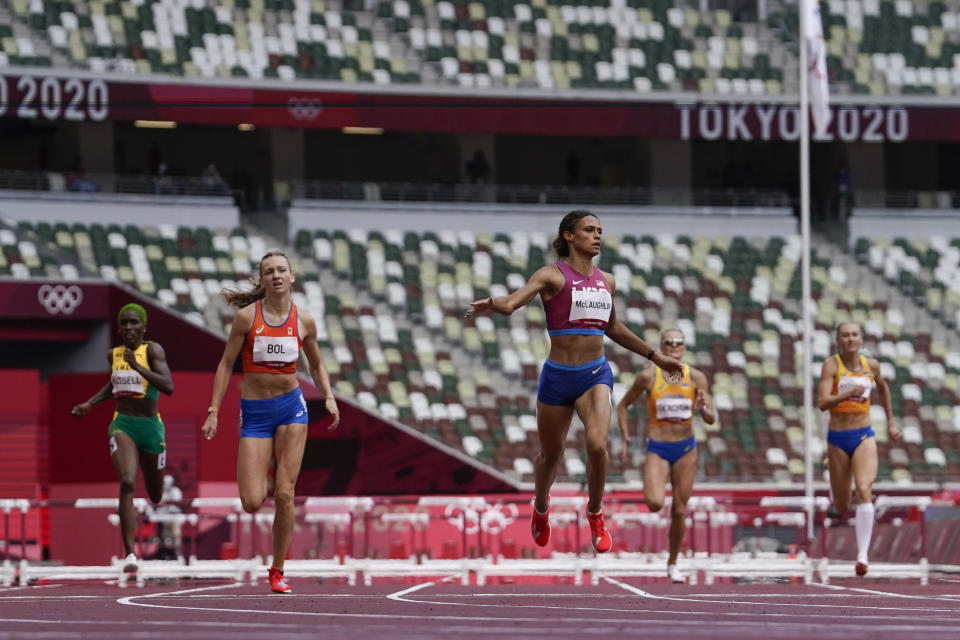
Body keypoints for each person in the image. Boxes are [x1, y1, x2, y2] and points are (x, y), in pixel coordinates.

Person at [464, 210, 683, 553]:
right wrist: (492, 303)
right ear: (569, 235)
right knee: (550, 455)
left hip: (595, 374)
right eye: (589, 230)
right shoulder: (552, 276)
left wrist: (656, 356)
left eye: (600, 230)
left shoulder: (607, 281)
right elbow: (511, 304)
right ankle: (540, 507)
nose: (597, 235)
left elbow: (613, 328)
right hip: (557, 378)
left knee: (597, 445)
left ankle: (595, 512)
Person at [201, 251, 340, 593]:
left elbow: (316, 364)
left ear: (292, 277)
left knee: (284, 494)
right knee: (251, 501)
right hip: (256, 413)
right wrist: (214, 410)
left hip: (292, 408)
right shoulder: (248, 318)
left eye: (281, 270)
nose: (276, 275)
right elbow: (224, 364)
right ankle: (259, 462)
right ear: (261, 280)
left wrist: (329, 395)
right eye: (268, 271)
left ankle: (277, 570)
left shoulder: (305, 321)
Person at [70, 303, 174, 573]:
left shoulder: (152, 350)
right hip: (123, 424)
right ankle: (130, 554)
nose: (128, 328)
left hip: (151, 428)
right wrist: (89, 404)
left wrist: (138, 367)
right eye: (124, 323)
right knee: (127, 481)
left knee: (155, 494)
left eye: (133, 323)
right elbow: (114, 384)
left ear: (143, 327)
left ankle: (153, 494)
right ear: (118, 328)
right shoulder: (113, 355)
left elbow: (168, 386)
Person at [615, 328, 714, 582]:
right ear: (660, 346)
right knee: (655, 503)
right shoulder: (648, 376)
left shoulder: (696, 378)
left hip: (685, 449)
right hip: (658, 448)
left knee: (679, 511)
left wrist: (703, 410)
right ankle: (670, 559)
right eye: (668, 342)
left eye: (678, 342)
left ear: (684, 348)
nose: (673, 346)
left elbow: (711, 418)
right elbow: (623, 404)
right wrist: (625, 436)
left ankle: (672, 563)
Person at [817, 321, 900, 576]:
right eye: (845, 335)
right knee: (842, 506)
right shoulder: (832, 365)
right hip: (837, 438)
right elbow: (822, 402)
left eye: (854, 334)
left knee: (864, 489)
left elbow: (884, 390)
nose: (850, 339)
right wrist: (847, 393)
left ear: (861, 339)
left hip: (863, 433)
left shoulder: (871, 365)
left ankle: (863, 556)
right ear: (838, 341)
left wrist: (890, 422)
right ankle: (833, 472)